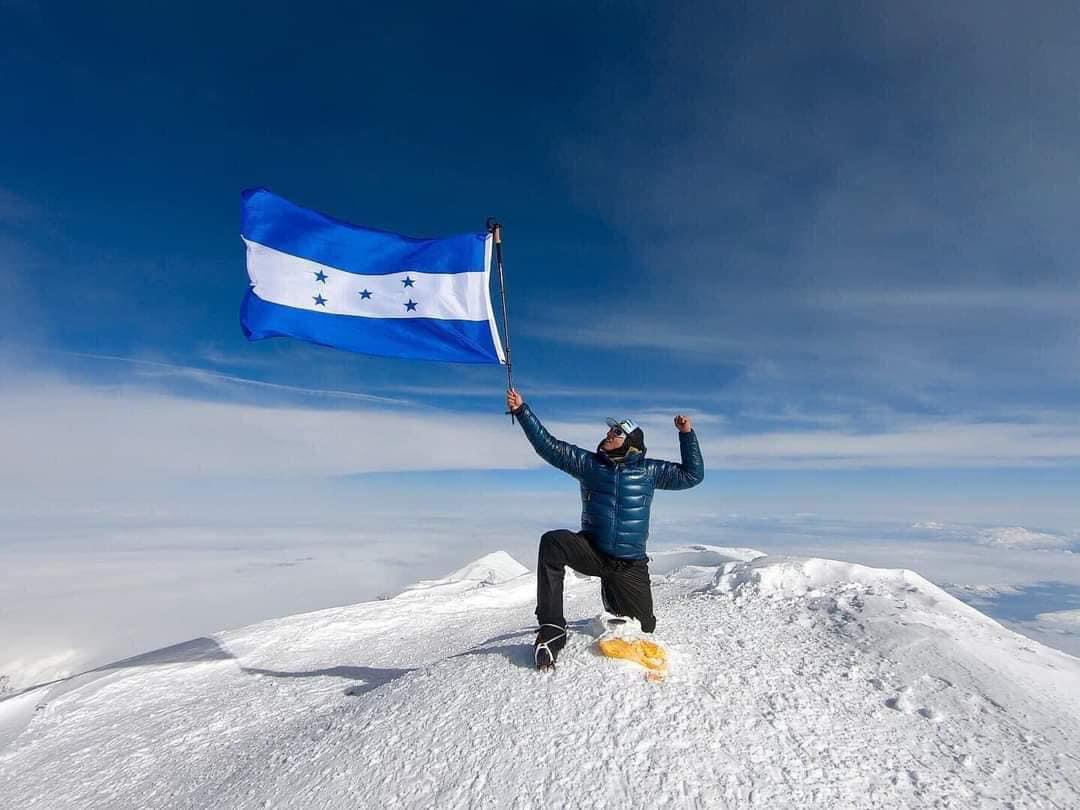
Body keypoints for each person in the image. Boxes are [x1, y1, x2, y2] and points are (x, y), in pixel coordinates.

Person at [505, 388, 705, 670]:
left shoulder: (649, 471)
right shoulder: (590, 465)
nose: (608, 435)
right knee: (552, 542)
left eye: (616, 434)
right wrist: (522, 411)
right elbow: (548, 447)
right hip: (593, 551)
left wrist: (686, 434)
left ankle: (613, 597)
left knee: (644, 627)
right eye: (609, 431)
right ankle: (552, 628)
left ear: (631, 444)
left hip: (629, 564)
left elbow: (692, 475)